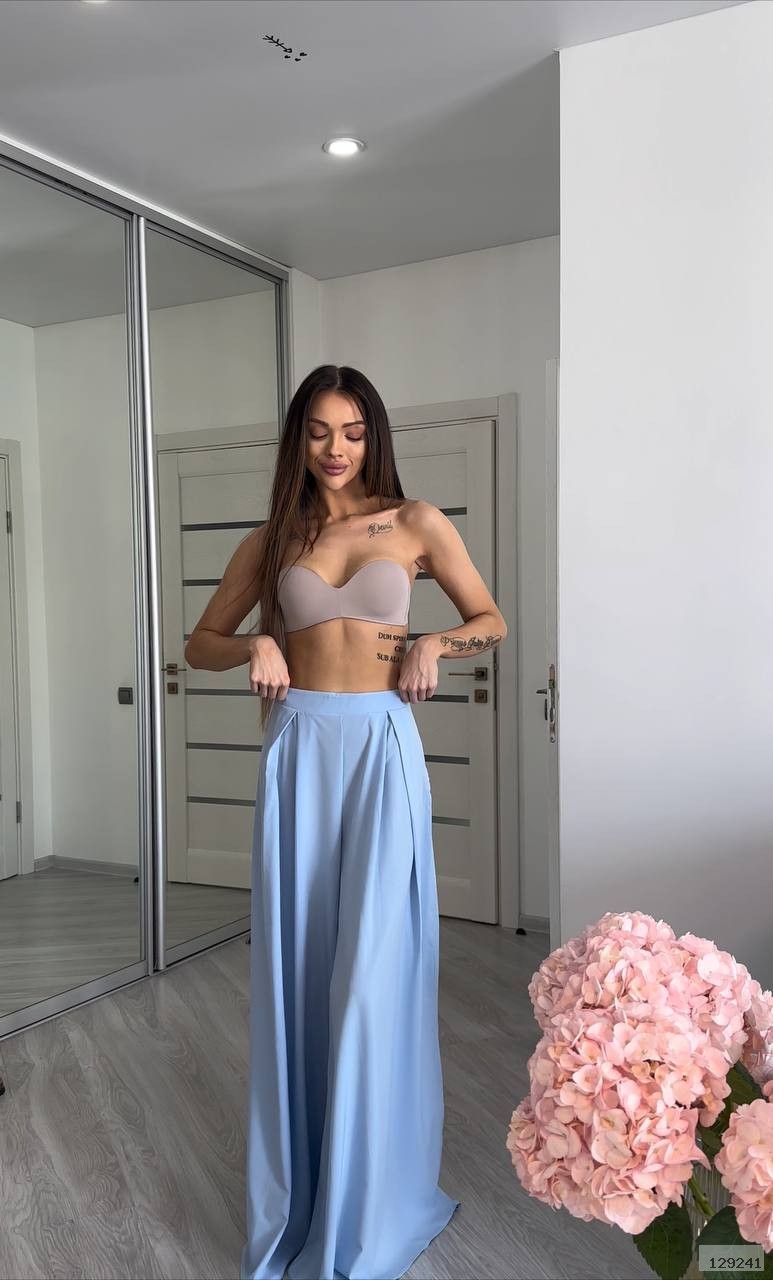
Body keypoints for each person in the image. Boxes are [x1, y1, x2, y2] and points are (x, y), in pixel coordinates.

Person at [185, 365, 508, 1280]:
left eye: (354, 431)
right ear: (299, 437)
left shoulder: (414, 522)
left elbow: (491, 618)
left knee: (372, 974)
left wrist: (437, 641)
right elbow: (198, 644)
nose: (337, 449)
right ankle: (303, 1194)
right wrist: (255, 640)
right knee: (299, 971)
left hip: (378, 748)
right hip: (298, 752)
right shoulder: (271, 539)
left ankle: (370, 1202)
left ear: (374, 437)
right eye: (321, 431)